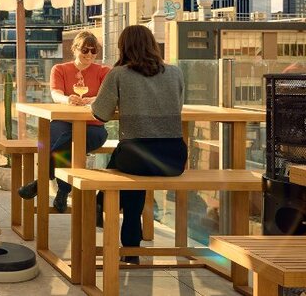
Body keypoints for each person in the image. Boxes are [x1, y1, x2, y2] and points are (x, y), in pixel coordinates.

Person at [91, 25, 187, 263]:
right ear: (153, 45)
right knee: (132, 168)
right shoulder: (175, 73)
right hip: (174, 157)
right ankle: (129, 241)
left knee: (127, 161)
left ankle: (102, 204)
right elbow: (178, 107)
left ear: (124, 47)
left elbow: (100, 114)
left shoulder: (119, 74)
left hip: (136, 155)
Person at [18, 31, 110, 213]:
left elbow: (106, 96)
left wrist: (91, 100)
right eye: (85, 50)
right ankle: (63, 191)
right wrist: (67, 99)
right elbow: (55, 94)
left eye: (94, 51)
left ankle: (41, 181)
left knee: (67, 142)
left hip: (94, 126)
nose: (90, 55)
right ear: (75, 48)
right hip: (64, 122)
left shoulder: (104, 71)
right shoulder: (60, 69)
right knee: (61, 136)